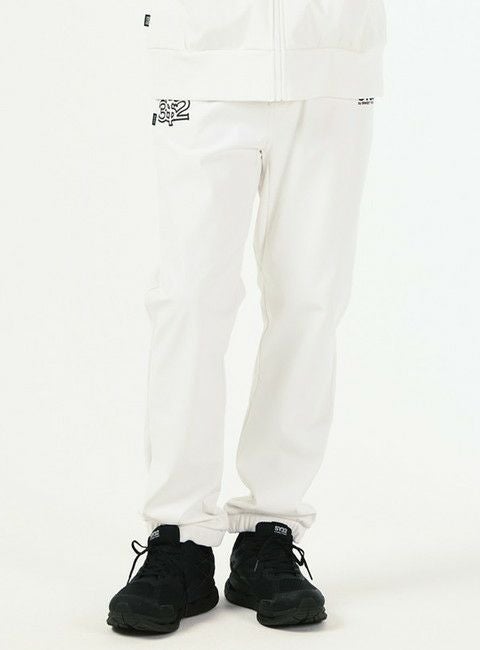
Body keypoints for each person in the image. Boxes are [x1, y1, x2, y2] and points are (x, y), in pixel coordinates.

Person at [107, 0, 386, 633]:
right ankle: (178, 535)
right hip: (202, 55)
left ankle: (270, 530)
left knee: (309, 302)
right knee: (188, 299)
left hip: (334, 62)